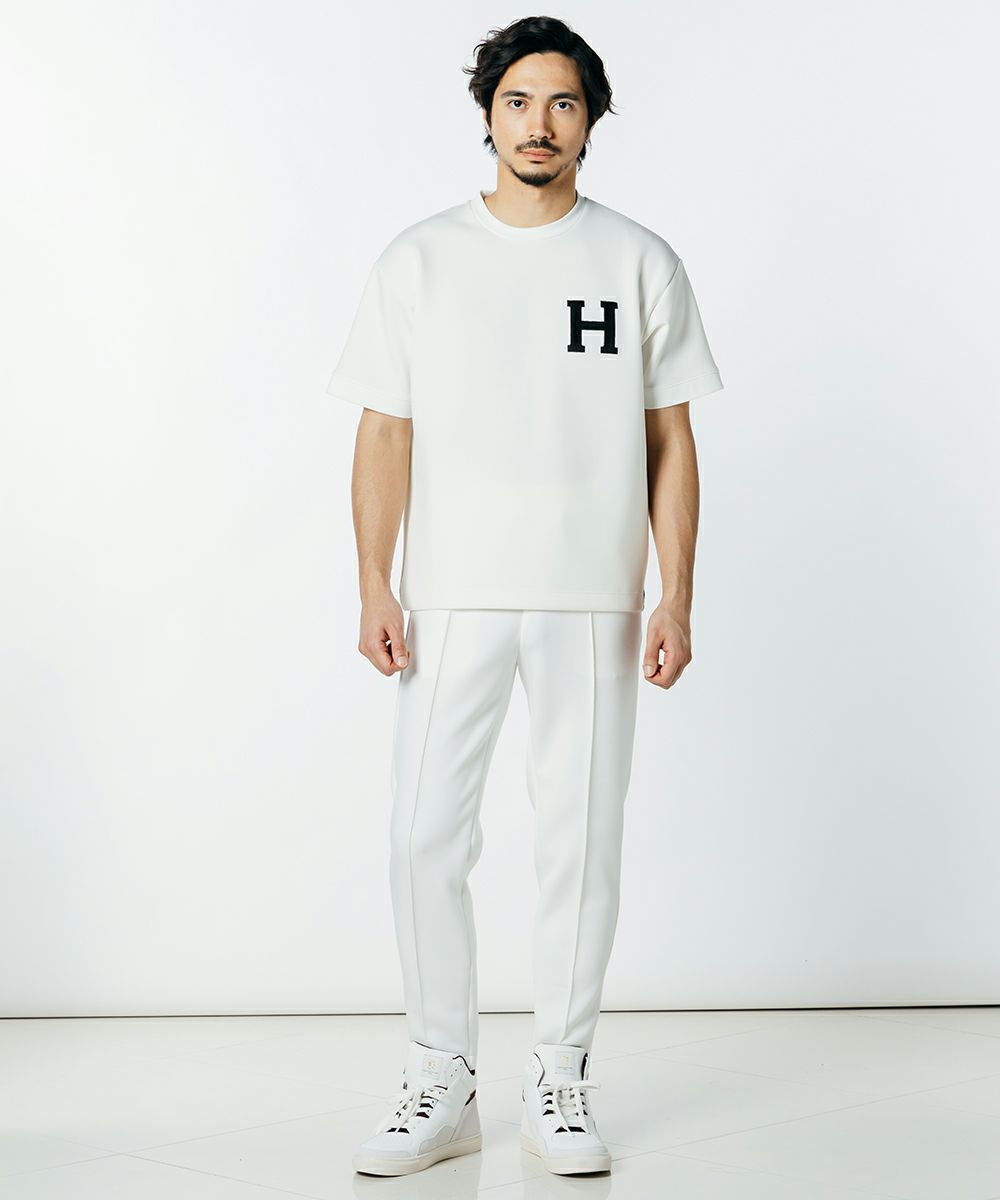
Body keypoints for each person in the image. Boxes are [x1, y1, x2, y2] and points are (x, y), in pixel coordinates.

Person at [327, 15, 724, 1179]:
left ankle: (559, 1076)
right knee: (422, 835)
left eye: (561, 103)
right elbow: (384, 429)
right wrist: (373, 581)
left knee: (579, 842)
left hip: (592, 596)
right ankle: (440, 1076)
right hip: (449, 593)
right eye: (516, 101)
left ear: (590, 121)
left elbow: (670, 438)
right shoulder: (420, 260)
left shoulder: (637, 260)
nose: (537, 124)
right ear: (487, 115)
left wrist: (675, 595)